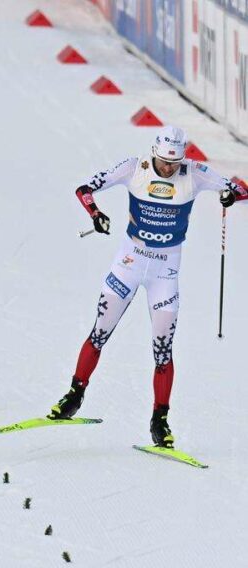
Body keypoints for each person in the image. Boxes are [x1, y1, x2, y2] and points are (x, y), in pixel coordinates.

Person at [48, 126, 248, 447]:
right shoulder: (134, 167)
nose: (169, 169)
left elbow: (240, 189)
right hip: (128, 265)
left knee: (163, 351)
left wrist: (232, 194)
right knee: (100, 332)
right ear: (154, 152)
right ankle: (74, 395)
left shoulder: (194, 173)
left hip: (165, 273)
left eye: (174, 163)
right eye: (163, 162)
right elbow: (85, 188)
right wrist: (95, 213)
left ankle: (160, 420)